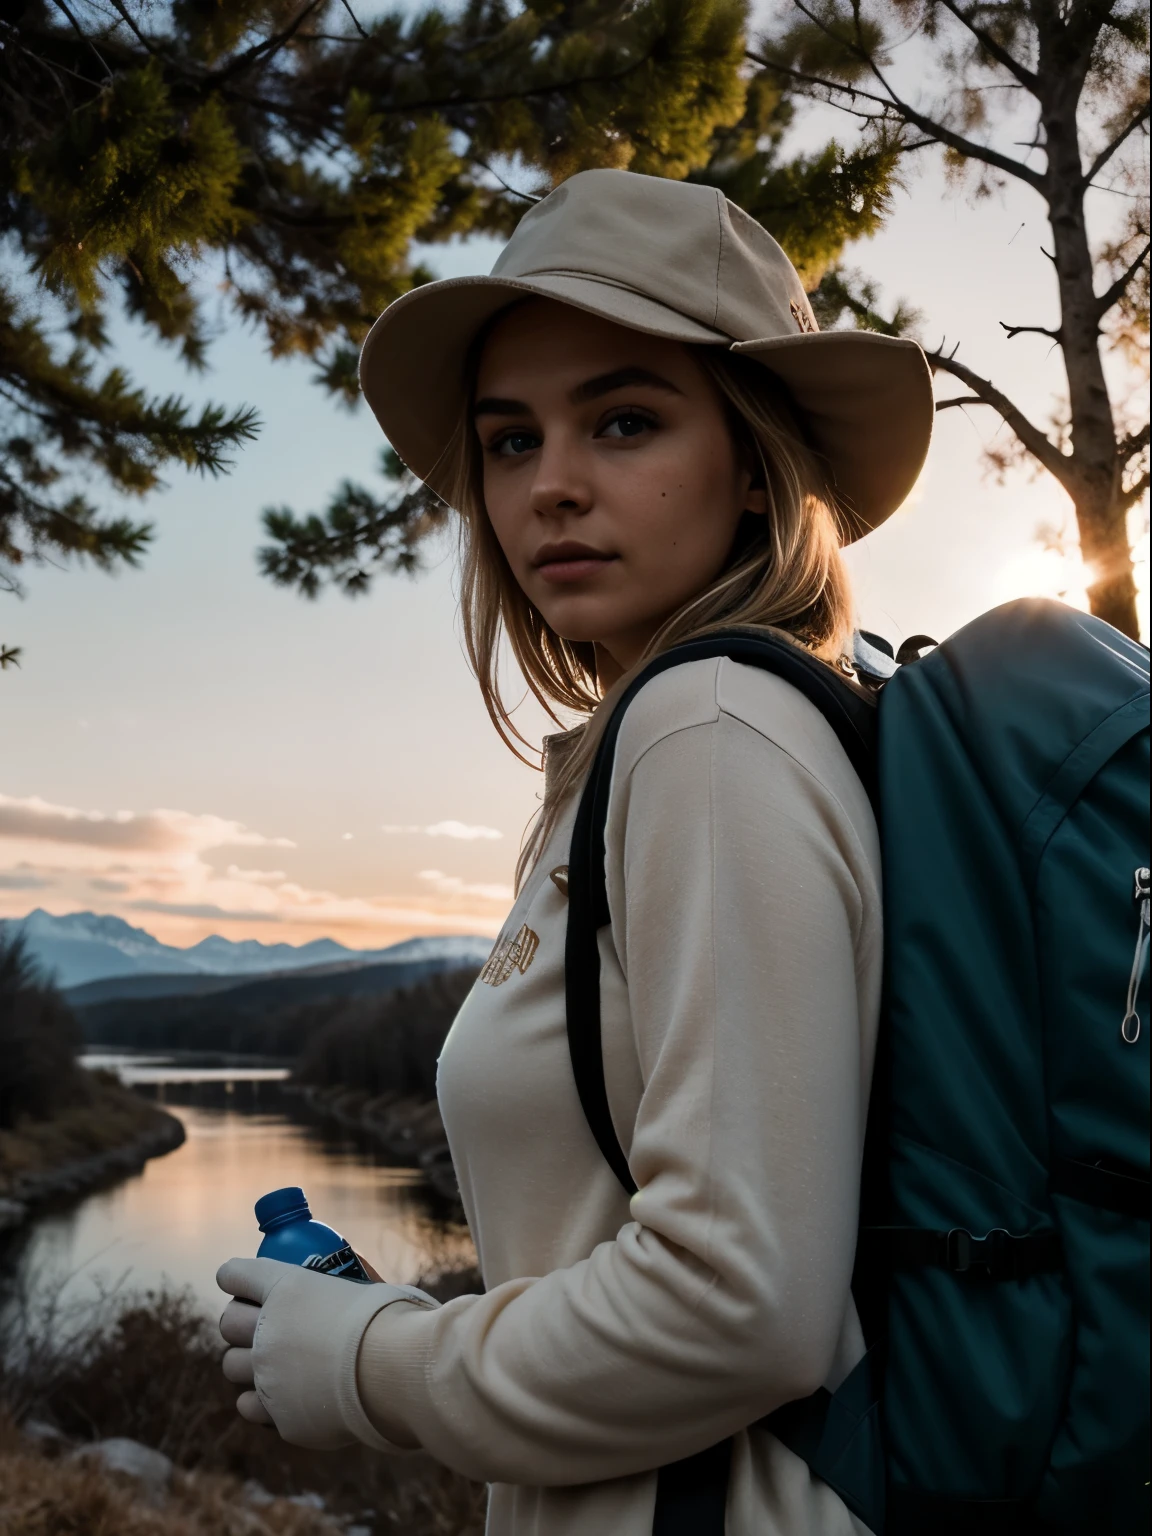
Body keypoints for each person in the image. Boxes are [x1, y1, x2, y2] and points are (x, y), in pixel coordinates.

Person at [216, 168, 934, 1535]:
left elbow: (742, 1305)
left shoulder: (708, 729)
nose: (551, 487)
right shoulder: (655, 746)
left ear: (753, 459)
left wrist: (376, 1363)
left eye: (622, 419)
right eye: (507, 440)